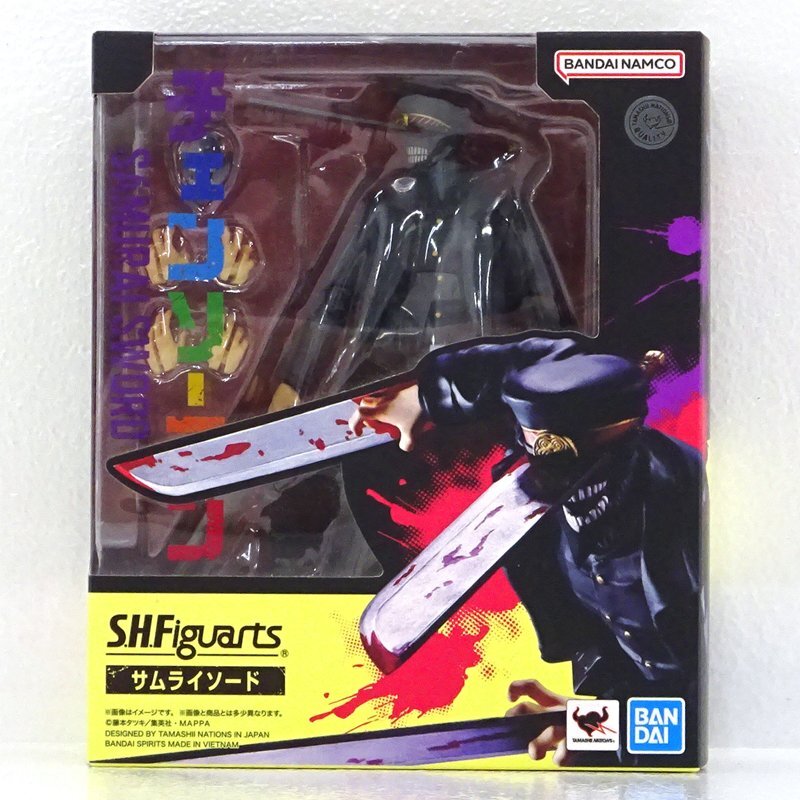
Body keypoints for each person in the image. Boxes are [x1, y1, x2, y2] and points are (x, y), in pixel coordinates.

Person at [349, 333, 703, 766]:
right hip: (627, 686)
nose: (559, 481)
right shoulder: (534, 495)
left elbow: (716, 708)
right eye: (539, 454)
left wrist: (600, 728)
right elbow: (538, 362)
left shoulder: (686, 513)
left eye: (577, 464)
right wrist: (426, 396)